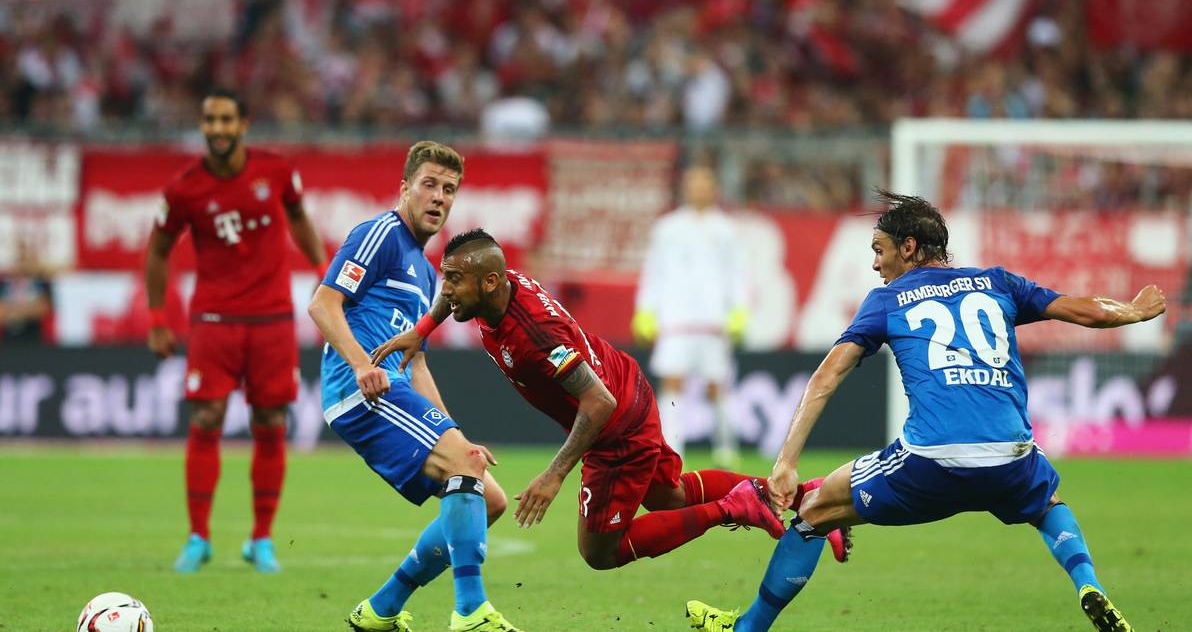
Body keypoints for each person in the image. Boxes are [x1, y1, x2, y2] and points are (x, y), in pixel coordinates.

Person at [685, 191, 1160, 632]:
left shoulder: (887, 299)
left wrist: (786, 462)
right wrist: (1135, 311)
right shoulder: (999, 283)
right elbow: (1088, 311)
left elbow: (826, 377)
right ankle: (1087, 584)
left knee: (813, 513)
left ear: (909, 247)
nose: (875, 264)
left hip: (932, 459)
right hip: (1011, 455)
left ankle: (747, 628)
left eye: (879, 250)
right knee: (1048, 505)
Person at [371, 228, 850, 576]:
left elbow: (596, 402)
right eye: (446, 277)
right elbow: (456, 294)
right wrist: (421, 331)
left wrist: (554, 475)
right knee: (669, 495)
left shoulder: (535, 335)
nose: (446, 290)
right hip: (628, 384)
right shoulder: (495, 285)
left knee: (600, 551)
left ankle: (736, 507)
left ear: (490, 282)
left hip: (614, 424)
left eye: (454, 280)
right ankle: (805, 497)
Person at [307, 142, 521, 632]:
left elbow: (416, 361)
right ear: (405, 188)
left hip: (394, 387)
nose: (439, 197)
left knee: (489, 499)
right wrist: (361, 366)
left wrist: (456, 435)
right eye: (429, 184)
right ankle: (470, 612)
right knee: (466, 470)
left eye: (449, 189)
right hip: (361, 390)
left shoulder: (427, 272)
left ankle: (380, 610)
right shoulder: (380, 234)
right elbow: (323, 304)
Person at [145, 87, 328, 574]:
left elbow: (299, 218)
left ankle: (261, 539)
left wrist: (323, 270)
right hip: (214, 319)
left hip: (272, 318)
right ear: (202, 125)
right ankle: (198, 537)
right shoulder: (184, 189)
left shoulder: (276, 170)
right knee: (207, 418)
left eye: (227, 119)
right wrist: (157, 319)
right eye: (211, 120)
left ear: (243, 124)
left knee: (270, 422)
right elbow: (158, 251)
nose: (218, 129)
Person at [633, 165, 748, 468]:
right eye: (693, 184)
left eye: (704, 184)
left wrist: (739, 309)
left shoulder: (726, 229)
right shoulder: (667, 228)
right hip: (675, 318)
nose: (698, 189)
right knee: (672, 382)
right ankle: (672, 448)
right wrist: (645, 309)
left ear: (714, 189)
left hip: (713, 320)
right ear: (684, 189)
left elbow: (736, 273)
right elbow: (653, 272)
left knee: (716, 385)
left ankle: (726, 447)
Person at [0, 239, 54, 344]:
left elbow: (43, 309)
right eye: (19, 260)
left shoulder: (39, 283)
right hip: (8, 340)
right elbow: (1, 312)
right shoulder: (4, 285)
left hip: (33, 337)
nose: (22, 265)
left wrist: (14, 311)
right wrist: (29, 308)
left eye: (25, 259)